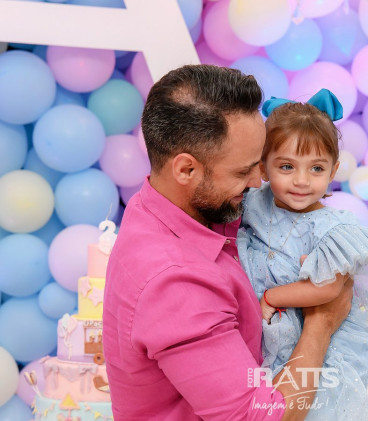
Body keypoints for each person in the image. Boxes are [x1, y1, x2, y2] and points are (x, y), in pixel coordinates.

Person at [102, 64, 353, 421]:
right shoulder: (175, 283)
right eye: (242, 171)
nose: (257, 182)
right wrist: (322, 324)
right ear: (186, 170)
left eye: (259, 164)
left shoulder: (163, 206)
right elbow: (263, 417)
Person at [236, 89, 368, 421]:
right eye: (286, 166)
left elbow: (328, 288)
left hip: (318, 353)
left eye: (316, 168)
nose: (301, 181)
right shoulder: (253, 202)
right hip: (263, 342)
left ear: (333, 171)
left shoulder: (332, 228)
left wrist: (271, 297)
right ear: (263, 167)